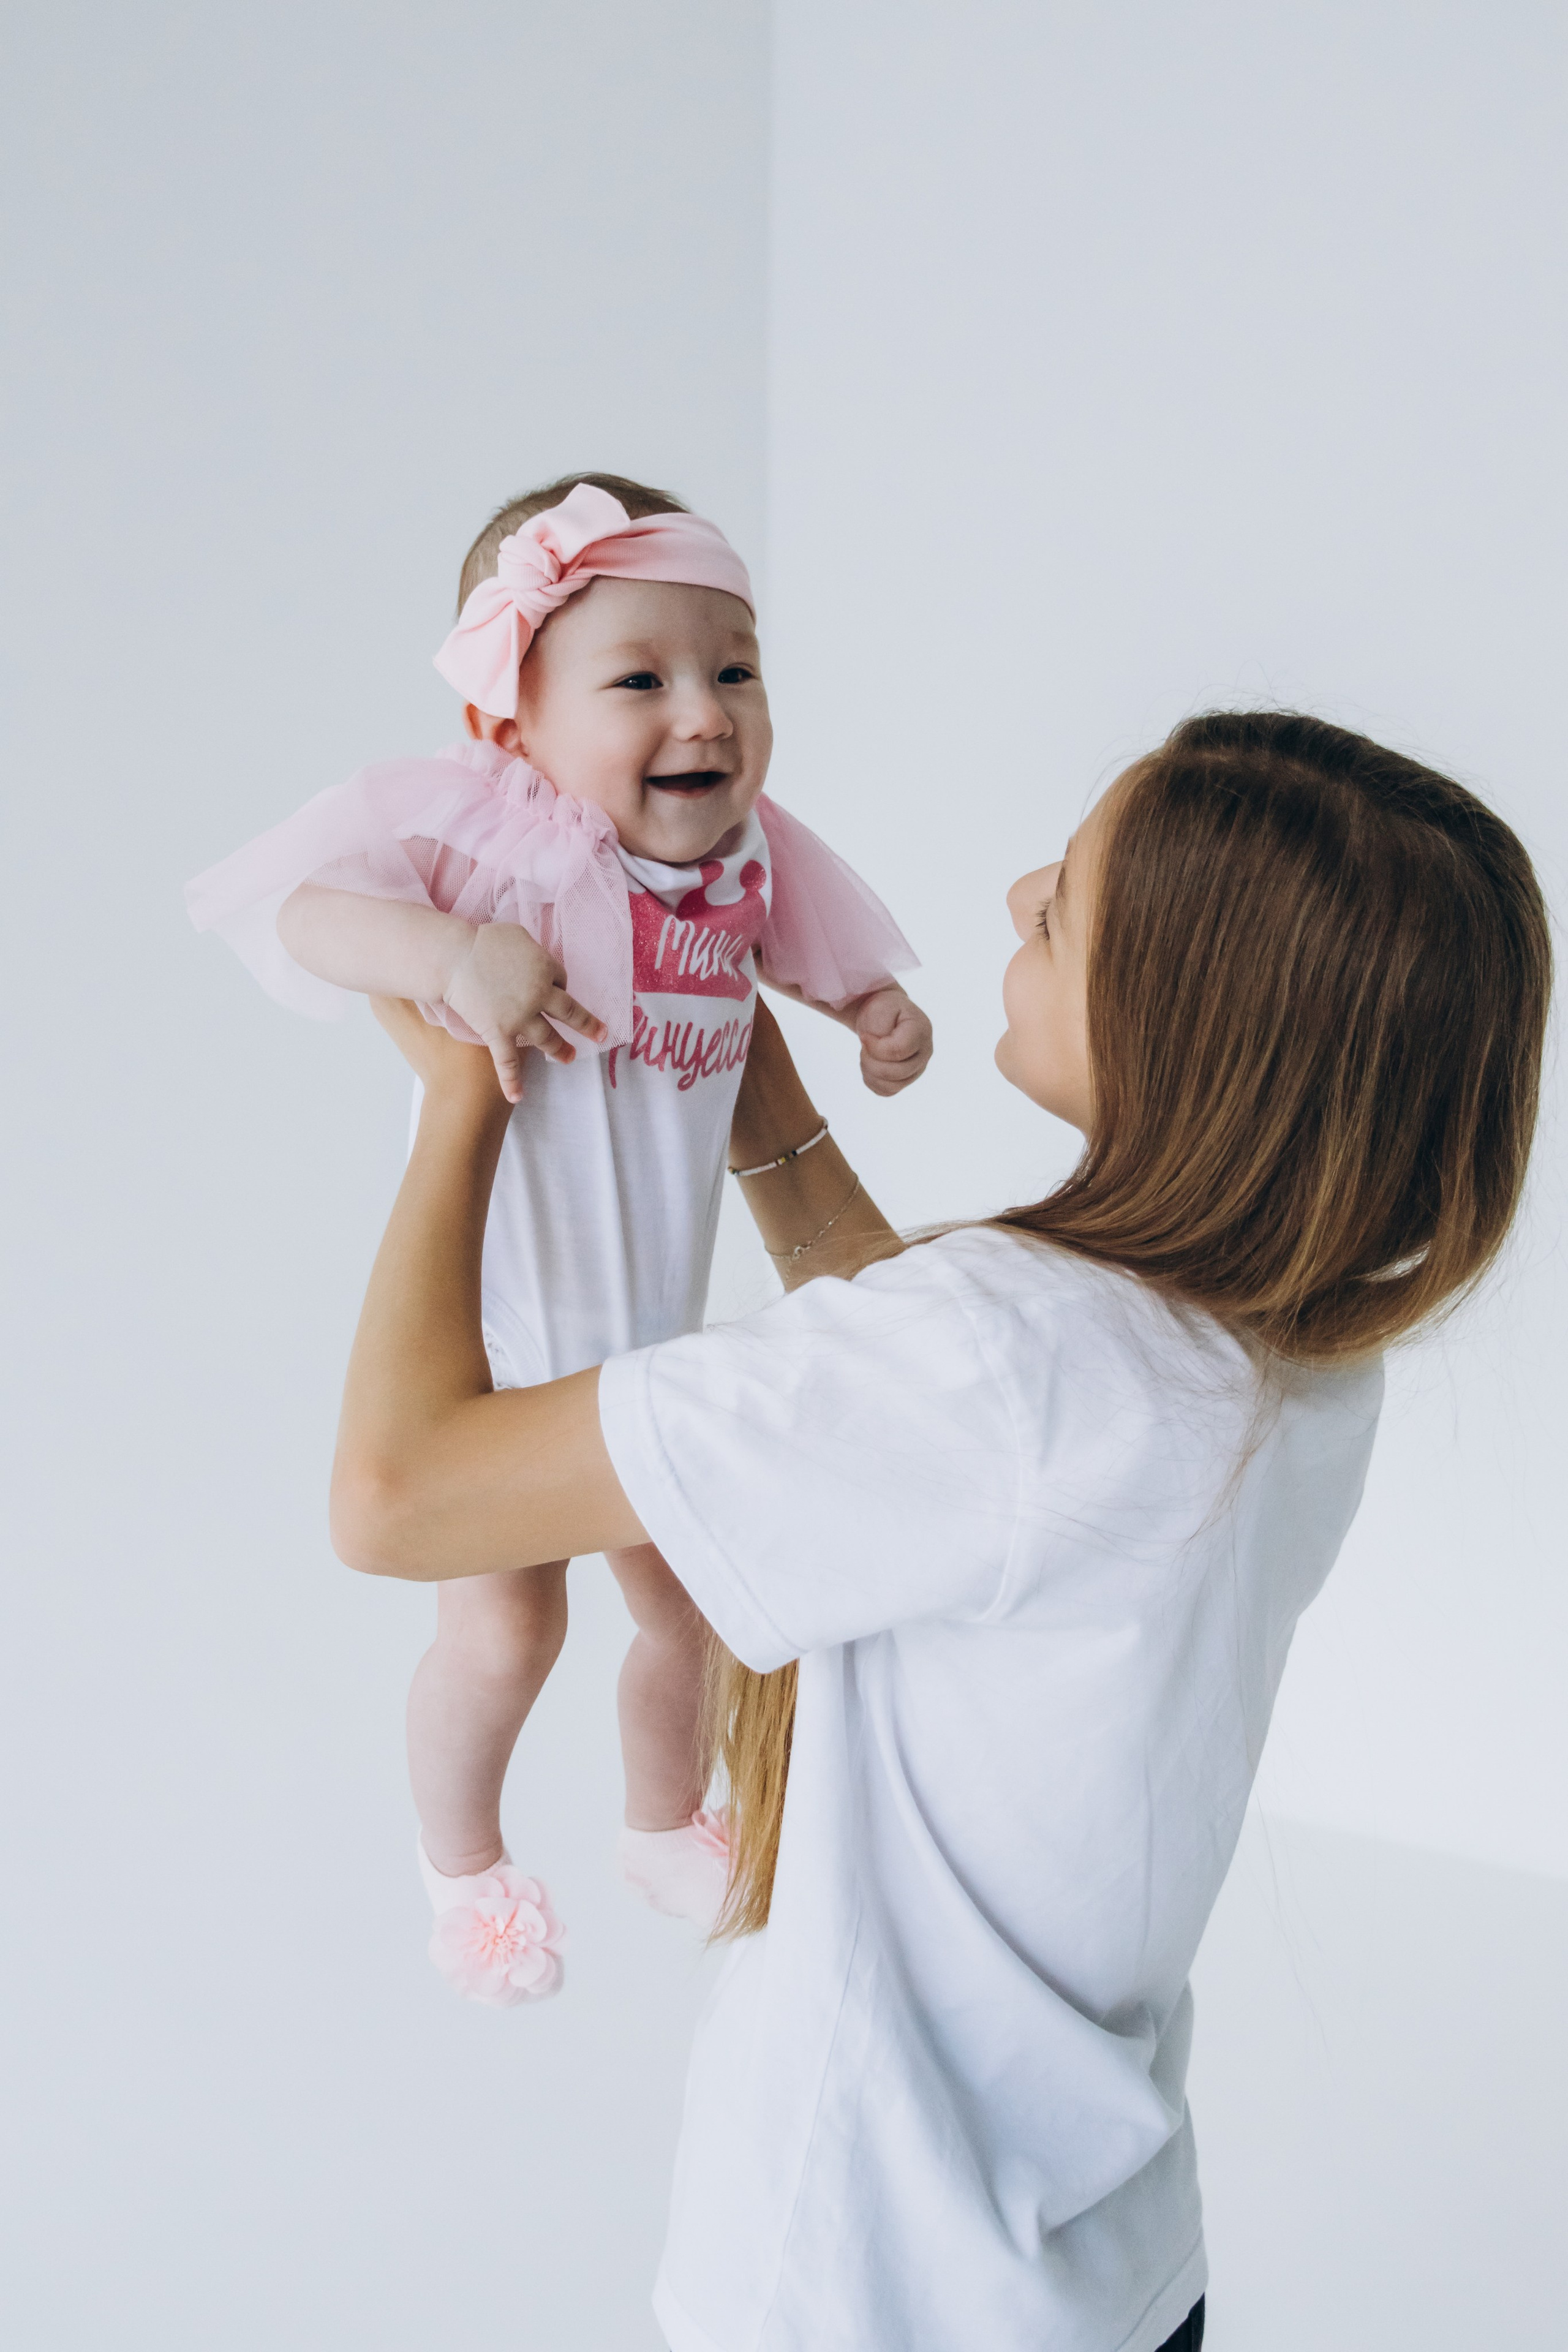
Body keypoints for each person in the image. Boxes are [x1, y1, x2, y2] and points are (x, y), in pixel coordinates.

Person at [330, 712, 1550, 2351]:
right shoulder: (1300, 1351)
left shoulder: (1011, 1360)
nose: (1012, 893)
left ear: (1190, 1022)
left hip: (860, 2291)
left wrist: (458, 1103)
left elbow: (396, 1497)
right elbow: (937, 1418)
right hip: (1110, 2275)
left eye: (1062, 912)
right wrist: (734, 1057)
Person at [184, 473, 932, 1993]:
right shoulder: (488, 836)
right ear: (509, 721)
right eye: (639, 680)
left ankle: (660, 1822)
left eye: (732, 671)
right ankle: (461, 1871)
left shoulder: (746, 857)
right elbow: (304, 913)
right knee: (505, 1636)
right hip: (500, 1342)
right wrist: (453, 952)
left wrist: (868, 1007)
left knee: (699, 1607)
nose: (705, 716)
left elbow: (814, 936)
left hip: (649, 1331)